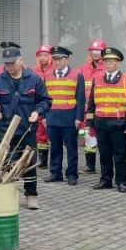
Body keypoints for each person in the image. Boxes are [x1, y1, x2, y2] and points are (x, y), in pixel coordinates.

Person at [0, 42, 52, 210]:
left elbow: (45, 100)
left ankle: (31, 194)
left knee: (29, 162)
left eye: (12, 63)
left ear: (21, 60)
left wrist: (37, 112)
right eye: (6, 63)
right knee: (1, 162)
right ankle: (2, 194)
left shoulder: (34, 79)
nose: (9, 67)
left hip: (26, 130)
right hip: (3, 130)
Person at [85, 48, 126, 192]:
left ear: (118, 63)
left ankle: (121, 181)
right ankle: (105, 180)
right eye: (106, 61)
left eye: (111, 61)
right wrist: (89, 123)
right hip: (101, 123)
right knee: (104, 153)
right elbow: (91, 103)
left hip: (119, 124)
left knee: (119, 154)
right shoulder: (97, 79)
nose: (108, 64)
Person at [41, 46, 85, 185]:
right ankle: (55, 173)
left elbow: (81, 98)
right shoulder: (47, 75)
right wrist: (44, 117)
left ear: (67, 59)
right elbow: (44, 99)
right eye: (55, 59)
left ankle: (72, 174)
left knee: (71, 148)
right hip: (52, 117)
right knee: (55, 148)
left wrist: (79, 118)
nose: (57, 62)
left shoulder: (77, 75)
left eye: (60, 59)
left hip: (69, 118)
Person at [79, 40, 107, 174]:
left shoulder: (107, 68)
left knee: (102, 136)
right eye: (93, 51)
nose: (95, 53)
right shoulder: (84, 69)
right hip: (86, 109)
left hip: (101, 108)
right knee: (87, 134)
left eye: (98, 51)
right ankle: (90, 165)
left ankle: (105, 165)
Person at [33, 45, 54, 169]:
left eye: (45, 55)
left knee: (53, 135)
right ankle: (43, 160)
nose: (43, 58)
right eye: (40, 56)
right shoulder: (34, 71)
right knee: (40, 134)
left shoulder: (55, 70)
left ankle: (55, 161)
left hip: (53, 107)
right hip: (40, 107)